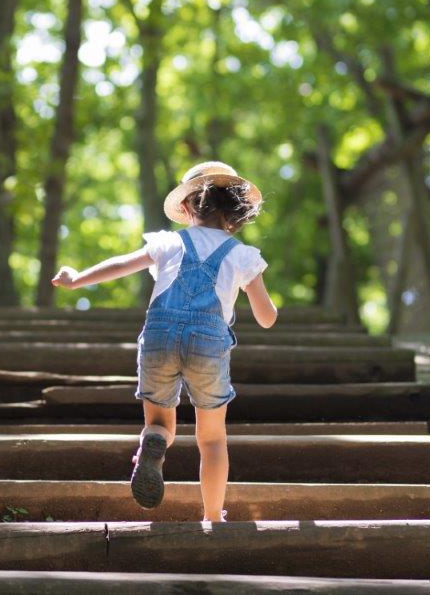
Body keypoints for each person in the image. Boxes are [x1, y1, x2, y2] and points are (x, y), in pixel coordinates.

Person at [51, 161, 277, 522]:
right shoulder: (242, 255)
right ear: (235, 215)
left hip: (159, 337)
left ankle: (154, 442)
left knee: (159, 422)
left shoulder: (169, 242)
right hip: (208, 344)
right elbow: (267, 318)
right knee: (212, 438)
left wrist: (77, 280)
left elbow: (121, 264)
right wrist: (257, 293)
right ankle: (213, 516)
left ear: (187, 209)